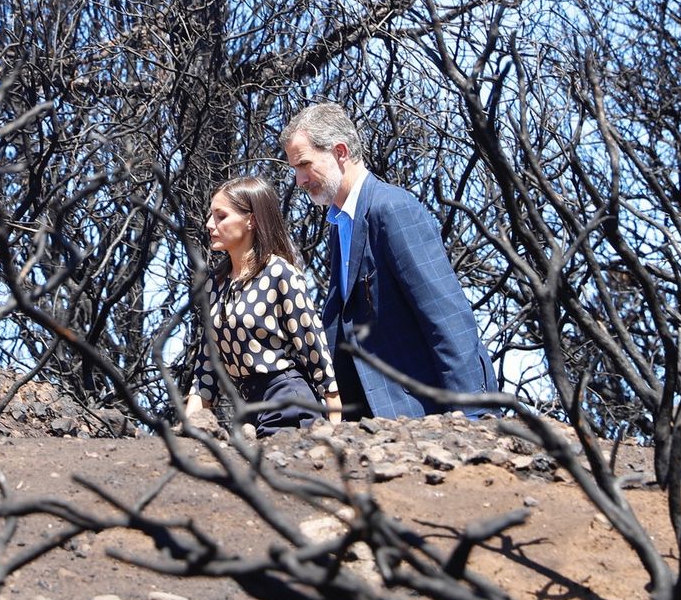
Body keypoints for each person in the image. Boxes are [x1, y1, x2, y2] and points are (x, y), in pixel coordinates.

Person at [280, 103, 498, 419]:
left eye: (304, 164)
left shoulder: (392, 209)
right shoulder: (340, 225)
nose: (299, 180)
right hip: (374, 421)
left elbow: (447, 318)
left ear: (340, 152)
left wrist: (471, 417)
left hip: (426, 414)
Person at [185, 176, 342, 436]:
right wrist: (190, 428)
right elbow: (207, 367)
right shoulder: (216, 283)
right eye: (211, 216)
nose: (209, 224)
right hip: (251, 410)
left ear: (251, 219)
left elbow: (314, 348)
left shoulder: (279, 272)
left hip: (289, 402)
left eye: (221, 216)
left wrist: (336, 423)